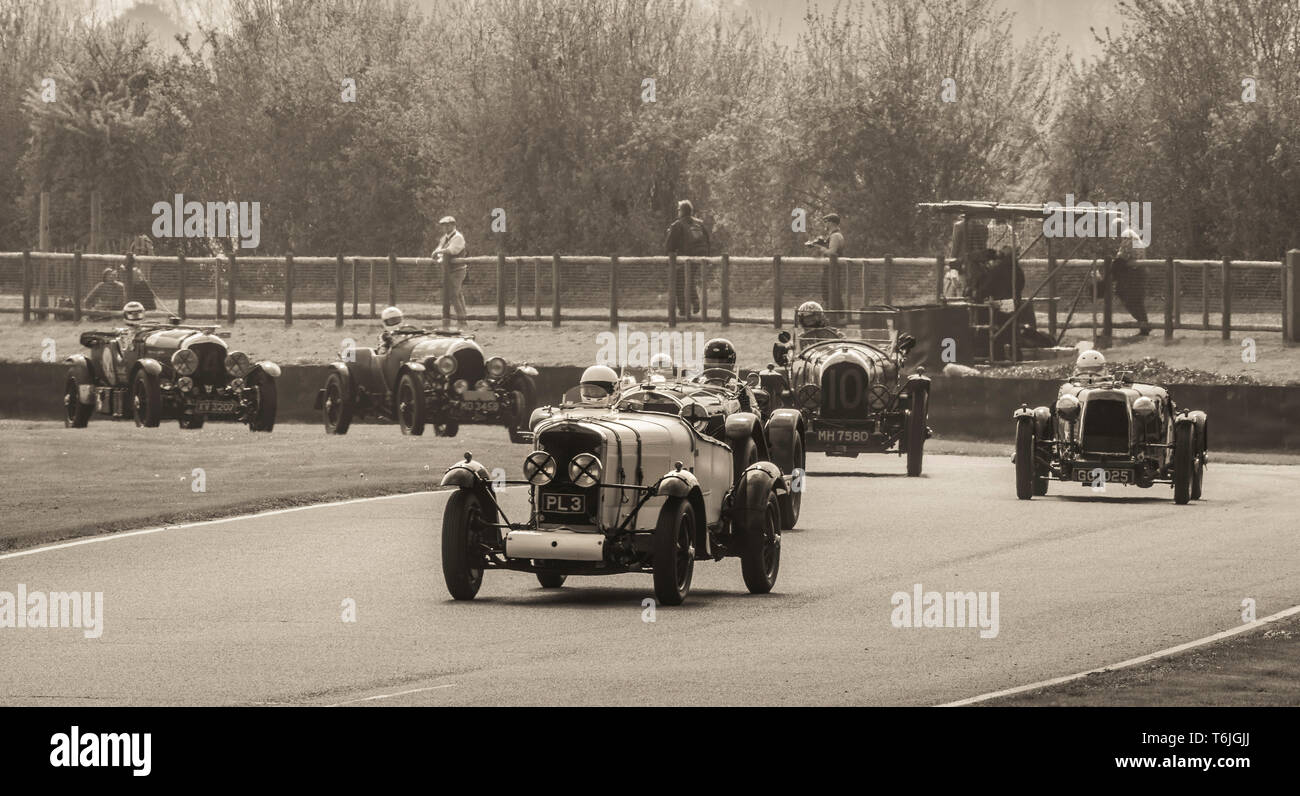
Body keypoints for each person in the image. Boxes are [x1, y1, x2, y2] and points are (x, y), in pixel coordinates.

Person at [1106, 219, 1152, 336]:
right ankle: (1144, 326)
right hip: (1138, 271)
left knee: (1130, 299)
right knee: (1136, 301)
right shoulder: (1131, 234)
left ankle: (1144, 326)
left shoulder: (1128, 235)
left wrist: (1112, 270)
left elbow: (1122, 257)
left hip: (1135, 273)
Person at [664, 200, 709, 317]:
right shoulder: (700, 224)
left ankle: (684, 308)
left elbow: (669, 246)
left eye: (678, 210)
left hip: (685, 258)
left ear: (682, 211)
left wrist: (670, 256)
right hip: (701, 256)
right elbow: (708, 241)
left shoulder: (677, 225)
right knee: (688, 278)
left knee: (679, 281)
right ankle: (694, 302)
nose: (678, 212)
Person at [433, 215, 468, 327]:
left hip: (458, 270)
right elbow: (439, 249)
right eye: (444, 225)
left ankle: (461, 320)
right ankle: (463, 317)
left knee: (453, 294)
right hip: (449, 270)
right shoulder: (444, 238)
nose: (446, 227)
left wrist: (438, 252)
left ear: (454, 225)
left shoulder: (458, 237)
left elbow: (452, 250)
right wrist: (436, 253)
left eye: (448, 225)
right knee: (457, 294)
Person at [808, 213, 846, 308]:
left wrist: (819, 247)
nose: (825, 224)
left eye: (826, 222)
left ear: (831, 223)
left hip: (832, 269)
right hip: (831, 268)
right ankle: (836, 316)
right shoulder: (835, 235)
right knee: (831, 291)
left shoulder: (835, 236)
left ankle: (836, 316)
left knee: (831, 291)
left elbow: (832, 252)